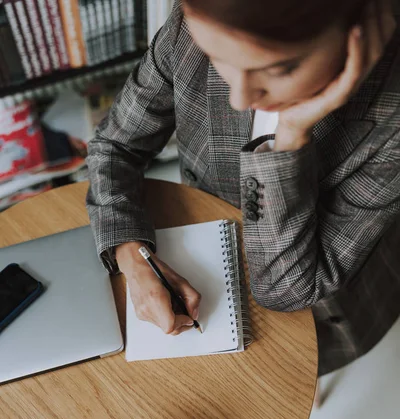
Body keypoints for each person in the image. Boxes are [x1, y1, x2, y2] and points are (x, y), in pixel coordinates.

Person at [86, 0, 400, 376]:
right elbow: (115, 145)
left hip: (326, 307)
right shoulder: (198, 23)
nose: (239, 97)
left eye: (278, 69)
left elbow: (287, 290)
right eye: (216, 55)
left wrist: (289, 138)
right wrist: (133, 259)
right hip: (210, 249)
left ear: (359, 33)